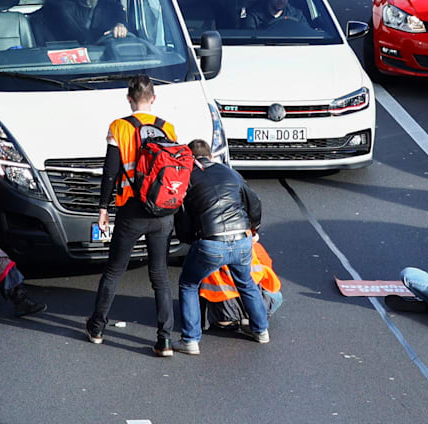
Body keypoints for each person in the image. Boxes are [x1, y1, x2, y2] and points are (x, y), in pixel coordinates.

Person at [86, 75, 179, 357]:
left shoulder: (119, 128)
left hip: (131, 210)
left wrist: (103, 208)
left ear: (128, 99)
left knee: (114, 270)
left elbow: (110, 172)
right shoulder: (168, 128)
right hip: (163, 212)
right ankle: (164, 340)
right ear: (153, 98)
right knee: (160, 275)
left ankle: (98, 328)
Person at [174, 139, 267, 355]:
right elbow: (254, 202)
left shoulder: (187, 176)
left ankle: (190, 340)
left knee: (189, 283)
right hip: (242, 238)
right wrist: (253, 229)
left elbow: (184, 216)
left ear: (189, 158)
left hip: (211, 242)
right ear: (211, 155)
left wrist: (189, 240)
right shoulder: (230, 173)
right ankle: (261, 330)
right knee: (246, 282)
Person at [200, 237, 283, 331]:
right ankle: (252, 320)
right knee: (277, 296)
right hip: (248, 302)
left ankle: (224, 320)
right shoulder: (253, 247)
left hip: (220, 309)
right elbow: (270, 277)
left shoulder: (206, 249)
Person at [45, 0, 127, 42]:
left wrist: (120, 26)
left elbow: (122, 22)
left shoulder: (114, 8)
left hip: (106, 57)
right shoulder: (64, 8)